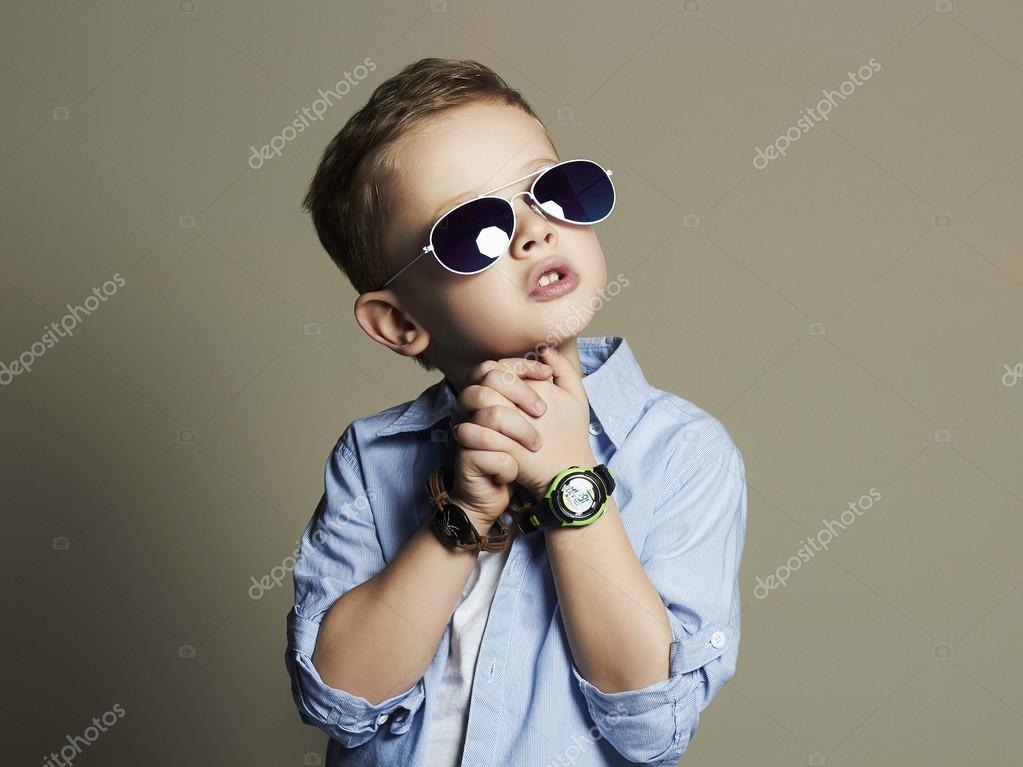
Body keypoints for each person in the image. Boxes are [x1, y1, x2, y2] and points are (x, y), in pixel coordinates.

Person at [284, 57, 747, 766]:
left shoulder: (680, 449)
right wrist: (459, 518)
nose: (534, 231)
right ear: (400, 322)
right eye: (475, 230)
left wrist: (570, 481)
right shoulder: (373, 458)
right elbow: (340, 701)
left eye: (554, 191)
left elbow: (651, 725)